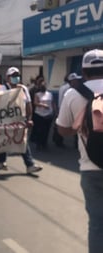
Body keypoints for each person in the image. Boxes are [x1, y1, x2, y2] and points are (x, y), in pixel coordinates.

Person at [56, 49, 103, 253]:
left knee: (97, 225)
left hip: (90, 168)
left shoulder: (72, 94)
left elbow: (63, 130)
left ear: (83, 71)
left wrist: (82, 125)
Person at [0, 67, 43, 174]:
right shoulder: (2, 89)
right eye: (13, 76)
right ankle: (1, 160)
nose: (16, 78)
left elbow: (28, 104)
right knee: (5, 141)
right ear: (8, 77)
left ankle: (30, 165)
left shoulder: (23, 89)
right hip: (6, 121)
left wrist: (29, 119)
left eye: (17, 75)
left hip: (20, 120)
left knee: (22, 141)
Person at [32, 81, 56, 150]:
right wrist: (42, 105)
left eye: (44, 86)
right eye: (42, 86)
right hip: (39, 115)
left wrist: (55, 111)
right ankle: (38, 144)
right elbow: (35, 103)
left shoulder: (50, 94)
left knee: (47, 130)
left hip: (48, 115)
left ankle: (44, 143)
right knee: (39, 130)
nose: (43, 87)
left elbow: (53, 103)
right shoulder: (37, 94)